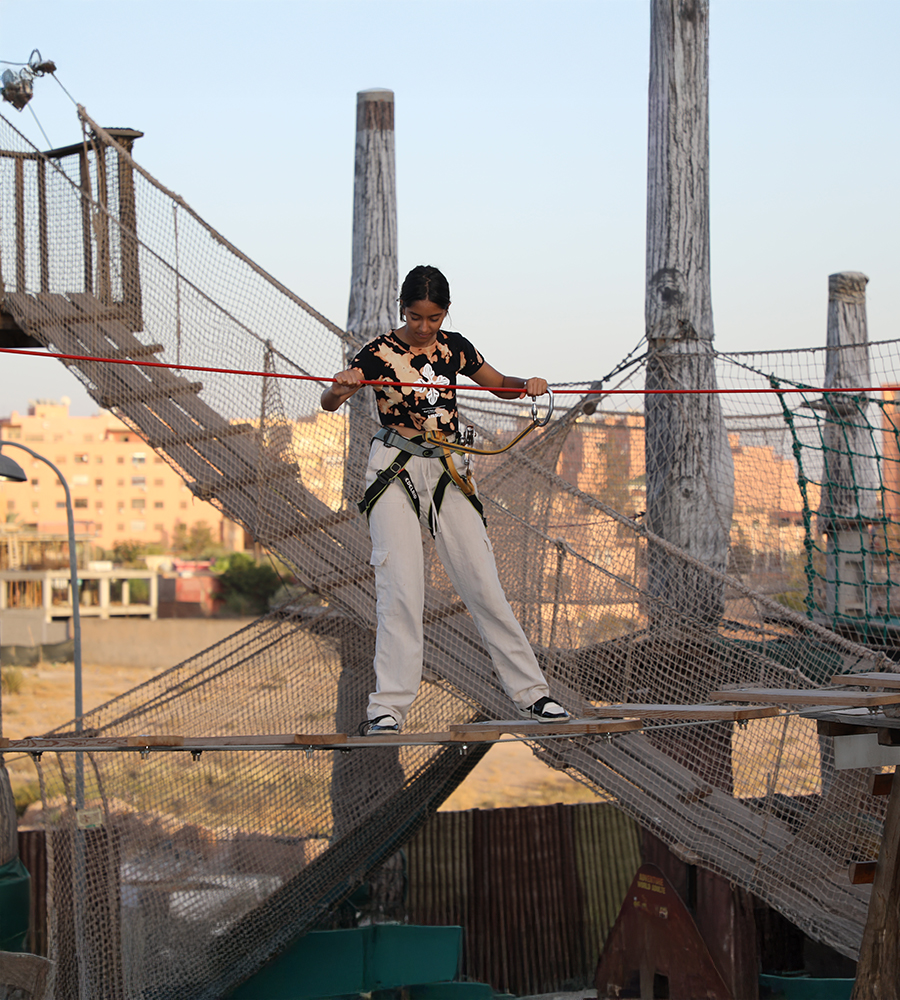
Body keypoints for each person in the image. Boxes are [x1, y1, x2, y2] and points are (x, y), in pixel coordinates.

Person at [321, 265, 569, 735]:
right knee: (401, 589)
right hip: (394, 466)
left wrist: (529, 386)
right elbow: (328, 403)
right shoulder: (378, 353)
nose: (424, 327)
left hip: (448, 467)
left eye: (434, 318)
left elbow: (499, 385)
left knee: (483, 583)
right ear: (403, 309)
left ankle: (534, 696)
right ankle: (387, 709)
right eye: (416, 317)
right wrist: (341, 386)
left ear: (446, 314)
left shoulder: (455, 347)